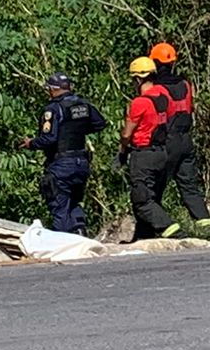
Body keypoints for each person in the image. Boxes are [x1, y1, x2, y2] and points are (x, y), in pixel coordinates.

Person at [19, 72, 107, 235]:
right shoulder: (83, 104)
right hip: (81, 163)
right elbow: (100, 123)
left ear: (53, 89)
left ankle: (61, 243)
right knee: (74, 202)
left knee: (59, 206)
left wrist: (31, 143)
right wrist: (78, 130)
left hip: (61, 165)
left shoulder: (53, 109)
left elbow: (49, 138)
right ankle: (80, 234)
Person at [149, 41, 210, 233]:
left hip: (169, 142)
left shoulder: (157, 90)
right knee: (189, 186)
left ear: (155, 64)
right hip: (186, 141)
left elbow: (155, 119)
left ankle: (162, 229)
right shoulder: (185, 84)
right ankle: (205, 226)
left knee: (155, 188)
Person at [121, 56, 181, 240]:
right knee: (152, 196)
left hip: (144, 155)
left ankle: (172, 229)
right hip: (162, 153)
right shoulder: (164, 97)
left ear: (138, 79)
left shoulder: (140, 102)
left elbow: (126, 134)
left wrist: (122, 152)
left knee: (142, 200)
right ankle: (143, 237)